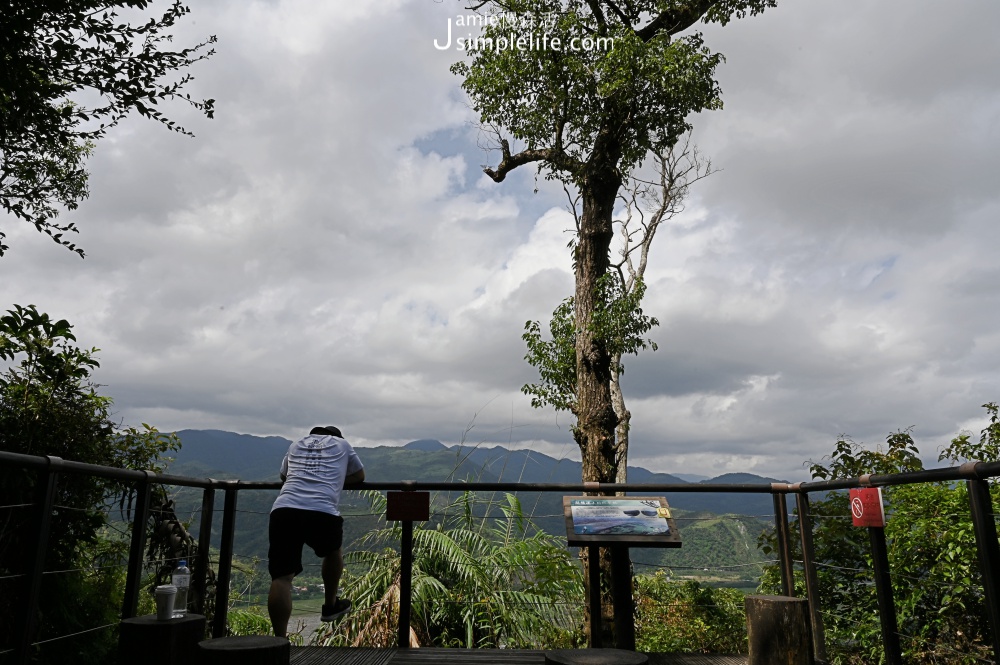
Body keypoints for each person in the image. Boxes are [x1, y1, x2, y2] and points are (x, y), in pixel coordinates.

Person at [267, 425, 365, 638]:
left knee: (281, 577)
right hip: (321, 510)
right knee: (333, 551)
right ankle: (330, 605)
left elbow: (284, 476)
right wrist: (335, 480)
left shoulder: (296, 444)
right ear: (336, 437)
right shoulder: (342, 444)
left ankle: (279, 641)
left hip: (284, 509)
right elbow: (359, 476)